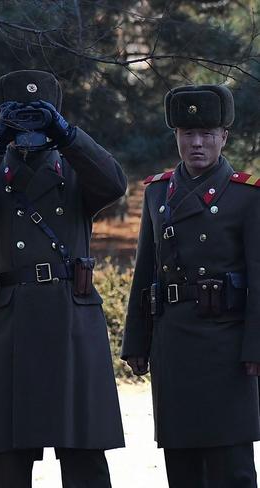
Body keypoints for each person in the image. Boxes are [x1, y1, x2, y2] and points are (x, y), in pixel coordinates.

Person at [0, 70, 126, 488]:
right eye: (20, 117)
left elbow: (114, 183)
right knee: (9, 460)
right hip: (14, 321)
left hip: (70, 318)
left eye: (38, 115)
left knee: (84, 455)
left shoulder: (74, 169)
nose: (31, 129)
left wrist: (65, 134)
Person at [122, 84, 260, 488]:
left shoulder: (247, 196)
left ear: (224, 137)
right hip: (174, 343)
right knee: (181, 464)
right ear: (176, 137)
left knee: (231, 466)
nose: (196, 143)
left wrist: (256, 349)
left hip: (227, 346)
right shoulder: (157, 192)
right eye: (187, 134)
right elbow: (144, 270)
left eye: (206, 134)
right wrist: (137, 341)